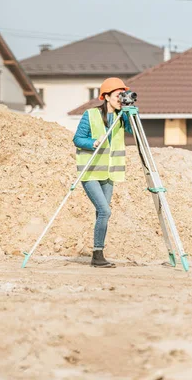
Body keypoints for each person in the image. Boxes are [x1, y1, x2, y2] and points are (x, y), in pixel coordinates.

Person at [73, 77, 133, 268]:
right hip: (91, 172)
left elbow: (133, 130)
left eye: (122, 95)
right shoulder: (90, 115)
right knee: (105, 210)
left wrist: (129, 113)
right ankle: (97, 254)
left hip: (109, 174)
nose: (120, 98)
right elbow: (77, 139)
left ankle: (97, 256)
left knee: (102, 213)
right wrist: (93, 143)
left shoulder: (120, 117)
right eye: (117, 95)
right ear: (106, 96)